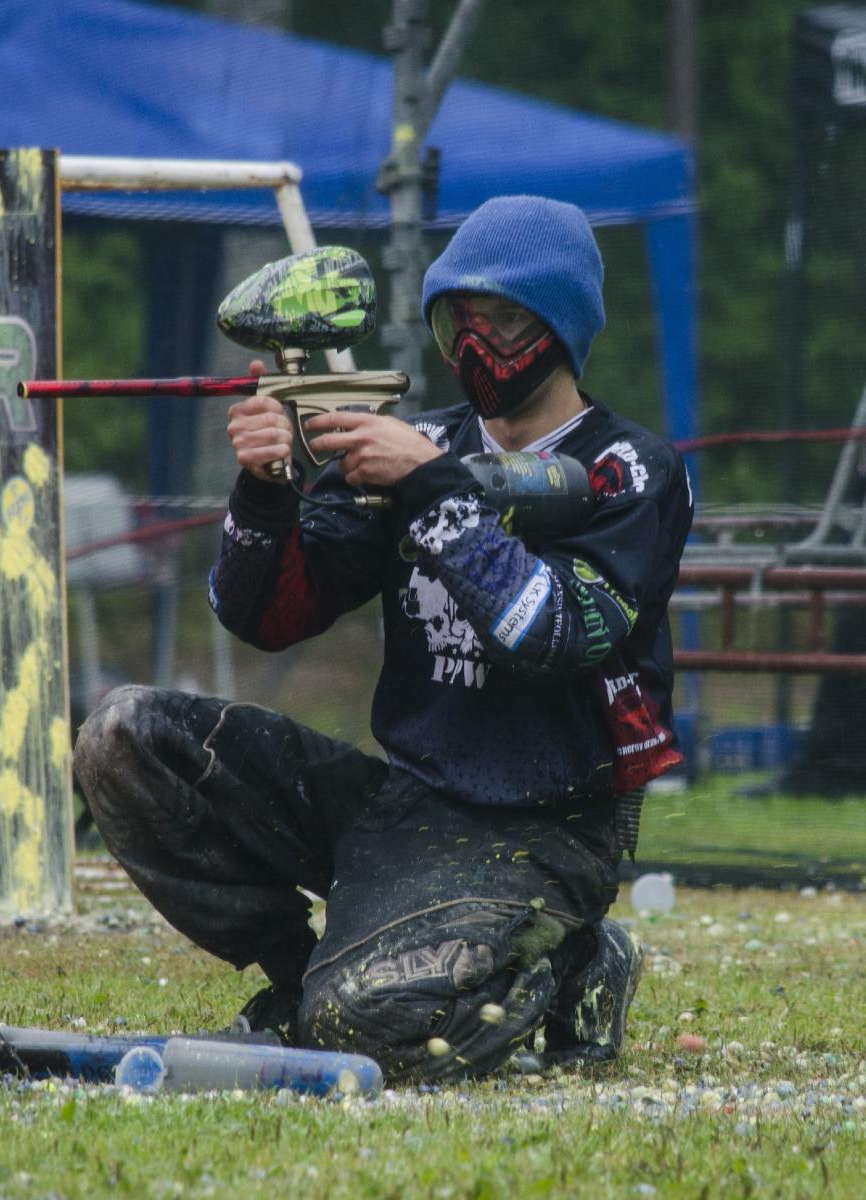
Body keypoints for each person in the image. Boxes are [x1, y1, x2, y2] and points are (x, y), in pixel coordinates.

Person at [74, 195, 694, 1084]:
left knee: (370, 1029)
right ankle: (299, 975)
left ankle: (573, 962)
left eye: (501, 320)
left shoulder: (627, 471)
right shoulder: (419, 443)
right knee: (123, 739)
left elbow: (550, 633)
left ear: (558, 325)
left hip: (544, 830)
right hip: (403, 803)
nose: (474, 346)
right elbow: (267, 618)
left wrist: (433, 491)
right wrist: (266, 489)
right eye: (456, 322)